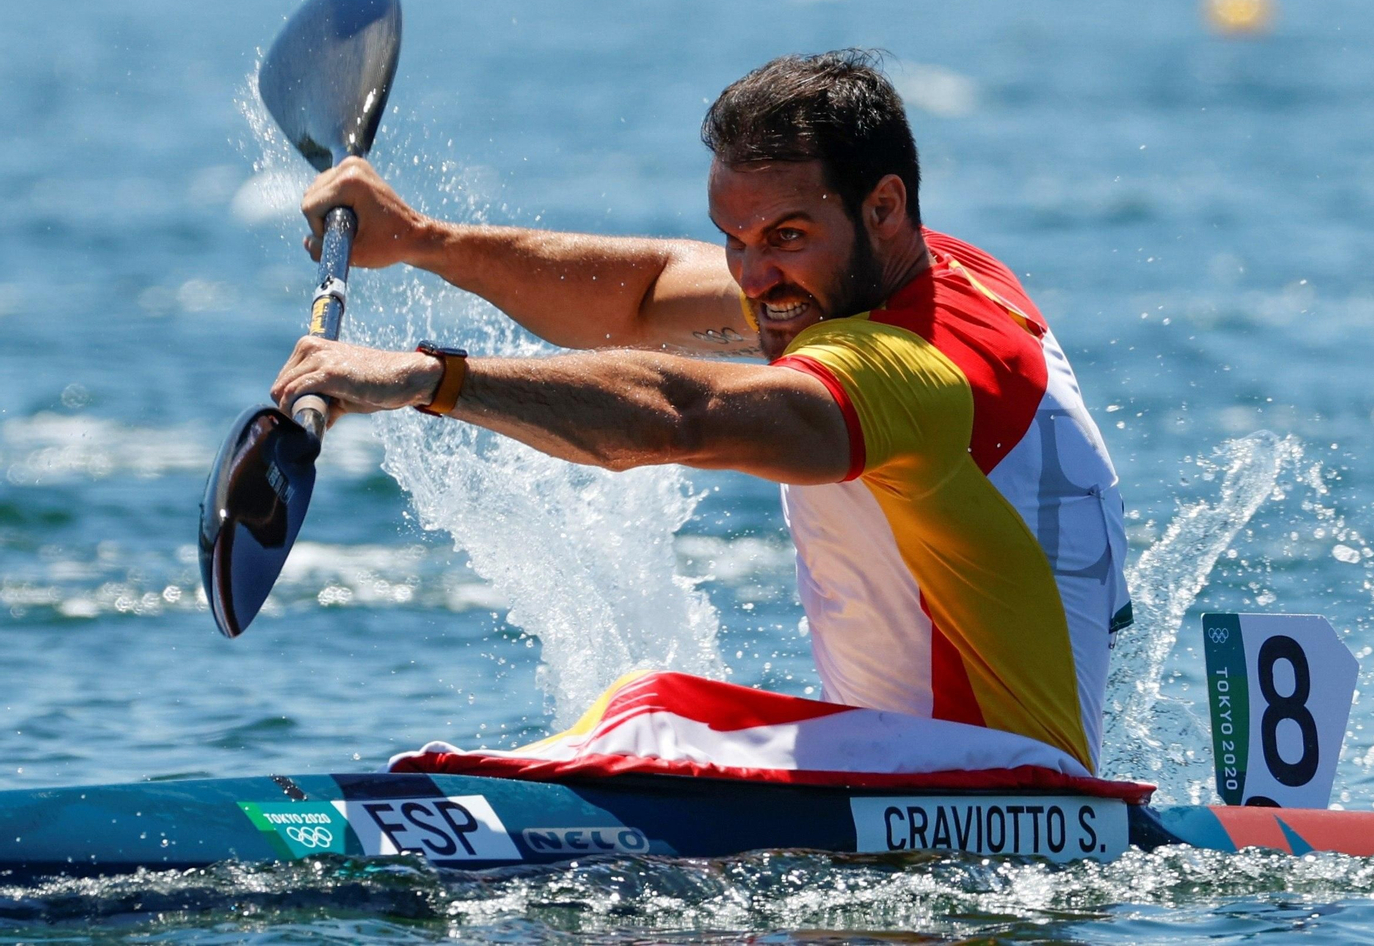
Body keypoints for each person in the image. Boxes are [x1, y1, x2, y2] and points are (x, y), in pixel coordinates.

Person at [271, 50, 1131, 774]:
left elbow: (680, 414)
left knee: (649, 712)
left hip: (985, 795)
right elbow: (645, 294)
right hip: (963, 783)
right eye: (736, 239)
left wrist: (425, 379)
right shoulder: (924, 274)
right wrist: (425, 239)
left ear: (886, 206)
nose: (753, 280)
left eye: (786, 237)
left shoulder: (910, 372)